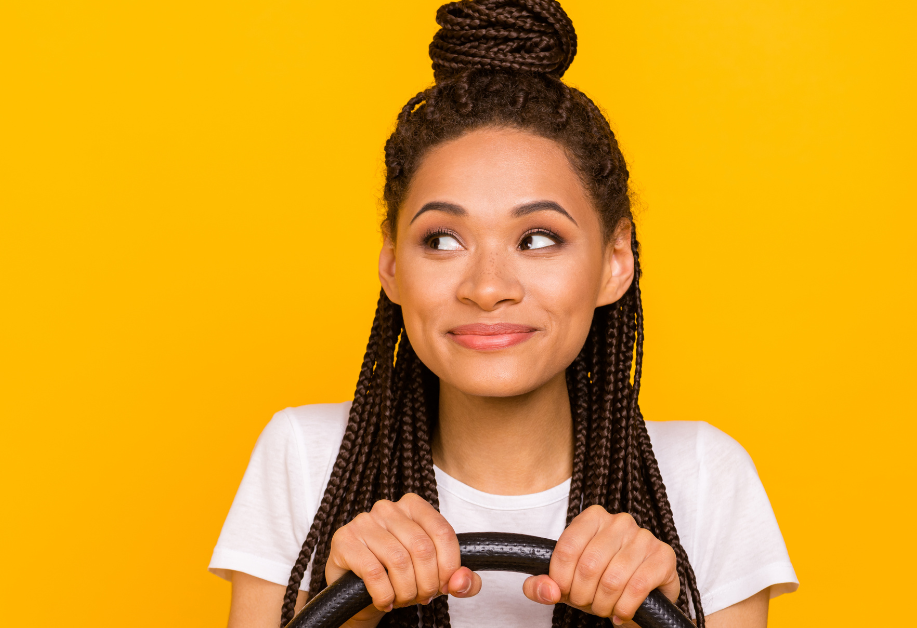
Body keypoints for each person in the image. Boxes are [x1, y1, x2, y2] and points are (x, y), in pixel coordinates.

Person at [209, 1, 798, 627]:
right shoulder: (304, 457)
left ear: (616, 260)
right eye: (441, 239)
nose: (487, 288)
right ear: (390, 263)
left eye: (539, 238)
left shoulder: (705, 476)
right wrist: (347, 609)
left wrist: (647, 616)